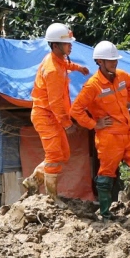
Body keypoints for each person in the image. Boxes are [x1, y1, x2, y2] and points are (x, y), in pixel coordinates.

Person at [72, 41, 130, 221]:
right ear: (99, 62)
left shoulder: (122, 76)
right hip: (109, 137)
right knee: (106, 175)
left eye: (115, 60)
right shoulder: (92, 86)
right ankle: (105, 213)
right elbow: (76, 110)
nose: (114, 63)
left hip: (128, 133)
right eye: (110, 61)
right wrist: (94, 124)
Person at [23, 22, 88, 205]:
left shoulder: (56, 60)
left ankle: (33, 180)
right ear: (55, 45)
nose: (71, 45)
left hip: (51, 116)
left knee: (64, 155)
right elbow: (55, 103)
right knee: (54, 157)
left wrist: (79, 68)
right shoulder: (52, 71)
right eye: (67, 43)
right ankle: (52, 197)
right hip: (46, 116)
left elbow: (65, 65)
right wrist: (68, 124)